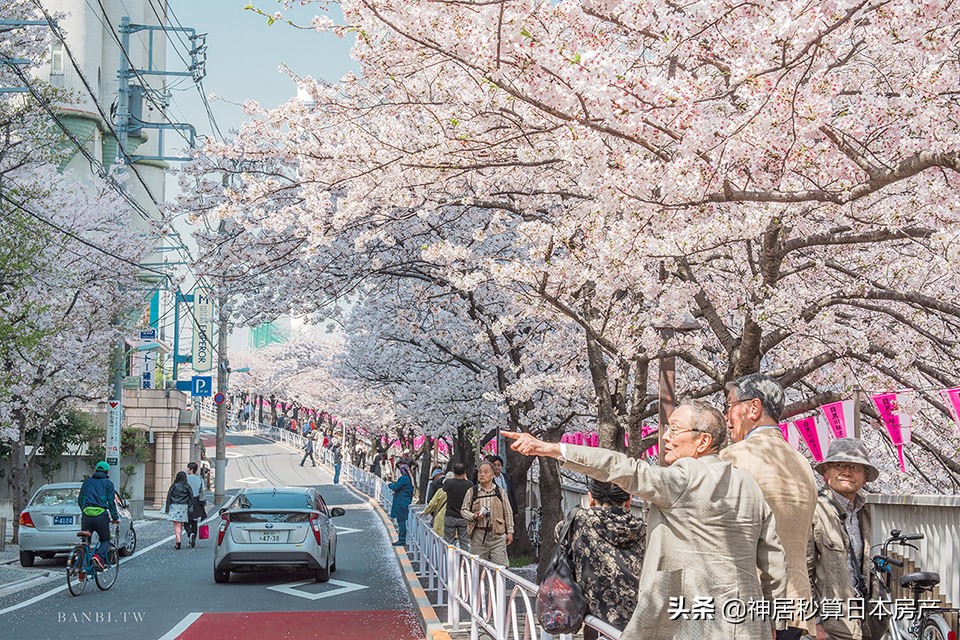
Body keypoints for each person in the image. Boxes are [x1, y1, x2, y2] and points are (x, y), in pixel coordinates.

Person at [502, 400, 787, 640]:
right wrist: (774, 620)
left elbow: (623, 468)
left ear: (703, 441)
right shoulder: (748, 484)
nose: (665, 436)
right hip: (750, 621)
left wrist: (553, 449)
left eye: (675, 429)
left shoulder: (684, 476)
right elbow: (774, 560)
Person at [720, 373, 818, 640]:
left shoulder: (734, 457)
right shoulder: (802, 462)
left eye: (730, 405)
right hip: (797, 601)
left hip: (749, 602)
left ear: (754, 407)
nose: (727, 417)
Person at [808, 438, 884, 640]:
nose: (847, 472)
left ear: (865, 477)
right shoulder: (814, 510)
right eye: (839, 465)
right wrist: (814, 623)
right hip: (830, 625)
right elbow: (800, 570)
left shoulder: (865, 512)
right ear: (826, 473)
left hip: (861, 621)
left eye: (855, 467)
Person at [560, 479, 646, 639]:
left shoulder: (579, 521)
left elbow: (559, 535)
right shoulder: (643, 529)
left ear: (591, 497)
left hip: (596, 617)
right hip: (636, 621)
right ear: (629, 500)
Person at [461, 461, 514, 567]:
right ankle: (479, 584)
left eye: (486, 472)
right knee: (477, 568)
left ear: (493, 475)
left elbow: (508, 512)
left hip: (498, 536)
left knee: (500, 568)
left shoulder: (500, 492)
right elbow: (463, 510)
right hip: (478, 536)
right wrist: (473, 516)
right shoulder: (472, 492)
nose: (482, 474)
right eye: (480, 472)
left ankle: (496, 584)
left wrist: (510, 532)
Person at [77, 461, 120, 571]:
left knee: (85, 541)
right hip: (101, 516)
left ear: (95, 470)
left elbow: (80, 499)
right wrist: (115, 518)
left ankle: (82, 568)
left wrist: (85, 510)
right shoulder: (108, 483)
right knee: (105, 540)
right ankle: (98, 557)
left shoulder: (87, 482)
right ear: (107, 471)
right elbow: (111, 502)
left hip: (86, 516)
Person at [442, 462, 472, 550]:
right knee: (464, 542)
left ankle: (448, 560)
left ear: (453, 471)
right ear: (465, 472)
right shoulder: (469, 484)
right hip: (463, 516)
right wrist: (465, 478)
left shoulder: (448, 482)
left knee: (448, 541)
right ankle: (463, 561)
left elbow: (444, 489)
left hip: (450, 515)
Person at [165, 471, 193, 549]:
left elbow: (169, 496)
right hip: (184, 506)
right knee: (180, 524)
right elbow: (191, 496)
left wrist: (167, 508)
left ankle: (178, 541)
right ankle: (183, 538)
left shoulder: (174, 486)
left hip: (174, 506)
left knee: (177, 525)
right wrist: (189, 505)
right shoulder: (187, 486)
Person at [388, 462, 414, 546]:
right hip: (405, 501)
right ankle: (402, 539)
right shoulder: (409, 479)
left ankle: (401, 539)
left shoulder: (404, 479)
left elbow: (396, 487)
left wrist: (390, 484)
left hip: (401, 502)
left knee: (401, 521)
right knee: (402, 521)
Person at [422, 472, 454, 537]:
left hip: (441, 520)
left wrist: (425, 512)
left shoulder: (441, 491)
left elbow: (432, 504)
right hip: (454, 521)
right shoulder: (458, 491)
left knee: (440, 542)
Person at [185, 461, 206, 548]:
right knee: (194, 521)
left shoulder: (186, 478)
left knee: (186, 520)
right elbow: (203, 490)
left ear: (191, 469)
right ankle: (193, 538)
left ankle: (190, 534)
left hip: (187, 500)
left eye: (188, 468)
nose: (187, 470)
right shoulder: (200, 479)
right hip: (197, 501)